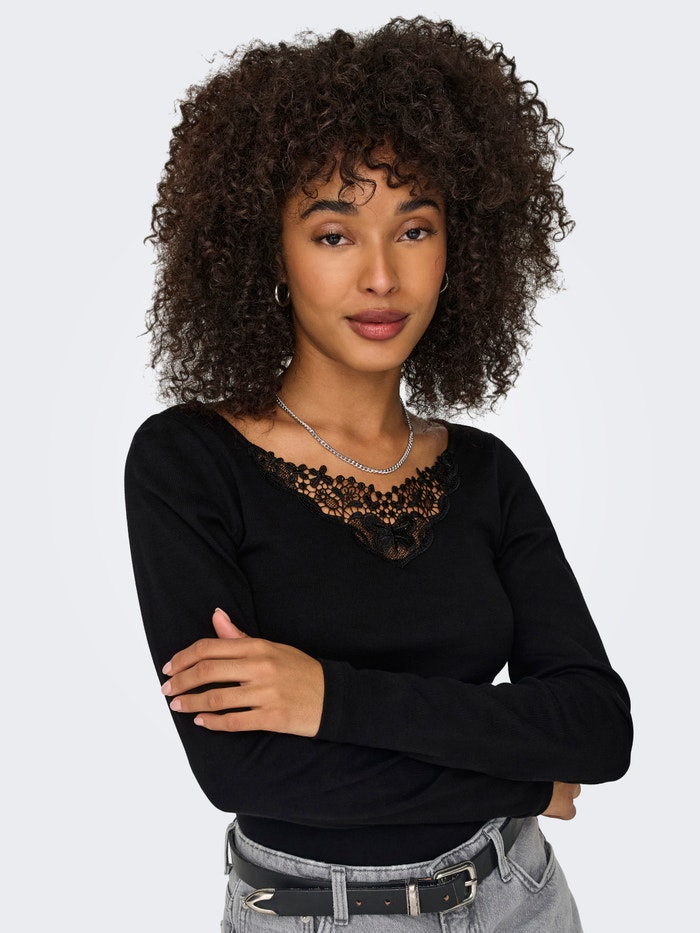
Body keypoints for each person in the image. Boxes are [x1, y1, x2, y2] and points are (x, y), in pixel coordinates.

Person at [125, 16, 632, 932]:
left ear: (459, 249)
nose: (382, 276)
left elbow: (597, 727)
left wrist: (326, 698)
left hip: (518, 899)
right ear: (268, 251)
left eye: (416, 228)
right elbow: (243, 769)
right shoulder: (188, 463)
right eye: (333, 234)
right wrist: (524, 775)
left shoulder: (485, 472)